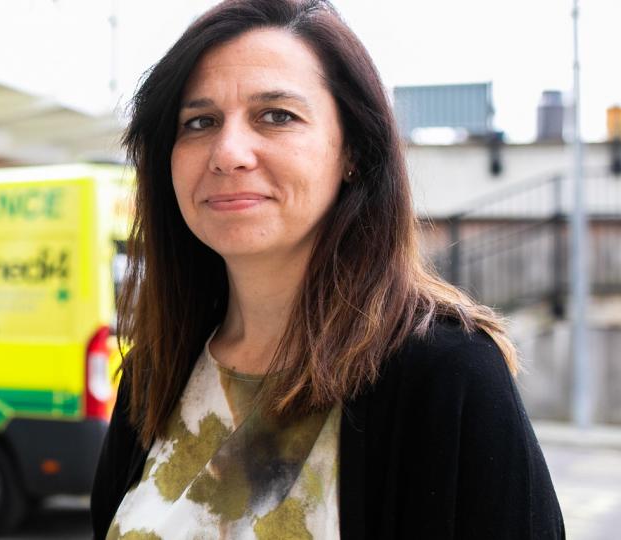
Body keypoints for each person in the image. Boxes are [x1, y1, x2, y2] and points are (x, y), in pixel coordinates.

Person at [90, 1, 564, 538]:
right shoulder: (153, 374)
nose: (228, 152)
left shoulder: (446, 376)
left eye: (276, 115)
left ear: (353, 151)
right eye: (199, 122)